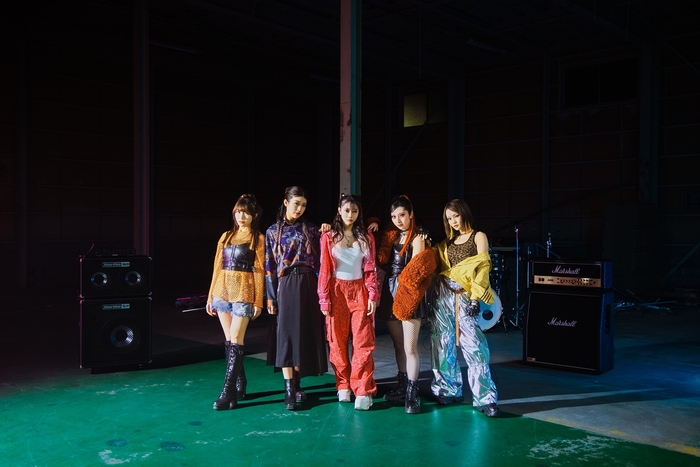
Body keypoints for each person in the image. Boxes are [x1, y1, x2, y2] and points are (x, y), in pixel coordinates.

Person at [430, 199, 500, 417]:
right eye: (449, 218)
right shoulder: (446, 243)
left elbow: (483, 268)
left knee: (474, 345)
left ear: (464, 213)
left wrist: (476, 298)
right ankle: (447, 389)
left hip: (467, 296)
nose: (453, 221)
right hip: (444, 294)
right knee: (442, 342)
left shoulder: (478, 236)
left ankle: (485, 398)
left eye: (455, 216)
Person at [265, 186, 328, 410]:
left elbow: (325, 257)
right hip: (285, 284)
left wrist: (328, 228)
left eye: (303, 205)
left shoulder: (311, 229)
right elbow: (269, 265)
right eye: (296, 204)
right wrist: (270, 297)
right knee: (286, 336)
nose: (300, 208)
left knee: (303, 334)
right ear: (286, 203)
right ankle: (289, 389)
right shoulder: (272, 231)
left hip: (308, 283)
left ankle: (298, 384)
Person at [375, 195, 436, 414]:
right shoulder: (390, 236)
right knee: (398, 344)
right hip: (390, 291)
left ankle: (412, 392)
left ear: (411, 214)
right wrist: (375, 223)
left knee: (410, 347)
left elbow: (415, 272)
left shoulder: (418, 238)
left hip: (408, 292)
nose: (398, 220)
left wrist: (407, 293)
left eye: (402, 215)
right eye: (394, 216)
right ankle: (402, 385)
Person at [317, 194, 379, 411]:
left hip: (359, 290)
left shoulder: (367, 237)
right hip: (337, 291)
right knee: (337, 340)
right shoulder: (328, 237)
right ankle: (343, 385)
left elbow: (371, 269)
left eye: (354, 211)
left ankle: (363, 389)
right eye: (346, 210)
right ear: (339, 211)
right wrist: (324, 299)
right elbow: (324, 270)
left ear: (359, 212)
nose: (350, 215)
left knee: (363, 341)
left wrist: (372, 295)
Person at [206, 194, 264, 410]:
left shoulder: (258, 238)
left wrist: (258, 301)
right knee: (230, 340)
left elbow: (259, 271)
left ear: (254, 215)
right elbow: (217, 266)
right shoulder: (226, 236)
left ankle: (227, 391)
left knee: (237, 339)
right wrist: (210, 296)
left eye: (246, 212)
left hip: (244, 291)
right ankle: (240, 382)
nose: (241, 216)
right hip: (222, 291)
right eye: (238, 211)